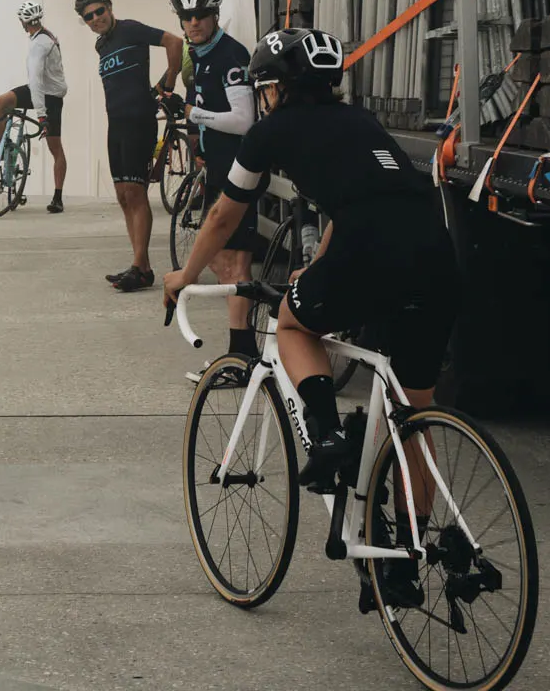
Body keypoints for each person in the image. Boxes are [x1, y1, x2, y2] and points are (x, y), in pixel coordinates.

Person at [164, 28, 458, 565]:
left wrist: (185, 273)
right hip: (435, 251)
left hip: (369, 251)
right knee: (415, 408)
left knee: (292, 323)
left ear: (275, 87)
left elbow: (224, 214)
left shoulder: (269, 132)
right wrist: (319, 268)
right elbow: (355, 202)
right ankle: (416, 544)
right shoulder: (363, 121)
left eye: (264, 87)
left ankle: (325, 438)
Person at [171, 0, 259, 365]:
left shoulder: (230, 55)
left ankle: (243, 353)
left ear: (214, 15)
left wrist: (192, 114)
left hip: (240, 167)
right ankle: (243, 349)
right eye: (186, 16)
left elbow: (244, 120)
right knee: (221, 260)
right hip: (219, 166)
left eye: (201, 15)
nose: (193, 23)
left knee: (234, 263)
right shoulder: (201, 54)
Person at [75, 0, 184, 293]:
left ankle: (140, 267)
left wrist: (168, 83)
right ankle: (141, 265)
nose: (96, 19)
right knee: (123, 196)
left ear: (109, 8)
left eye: (99, 11)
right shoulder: (102, 45)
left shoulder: (131, 29)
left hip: (139, 122)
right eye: (89, 17)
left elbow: (174, 42)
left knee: (136, 194)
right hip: (116, 125)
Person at [0, 1, 68, 212]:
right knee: (56, 150)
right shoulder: (46, 35)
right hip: (48, 92)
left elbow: (36, 83)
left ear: (24, 22)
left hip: (47, 95)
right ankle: (2, 149)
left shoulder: (38, 45)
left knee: (0, 103)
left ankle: (0, 148)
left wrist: (42, 116)